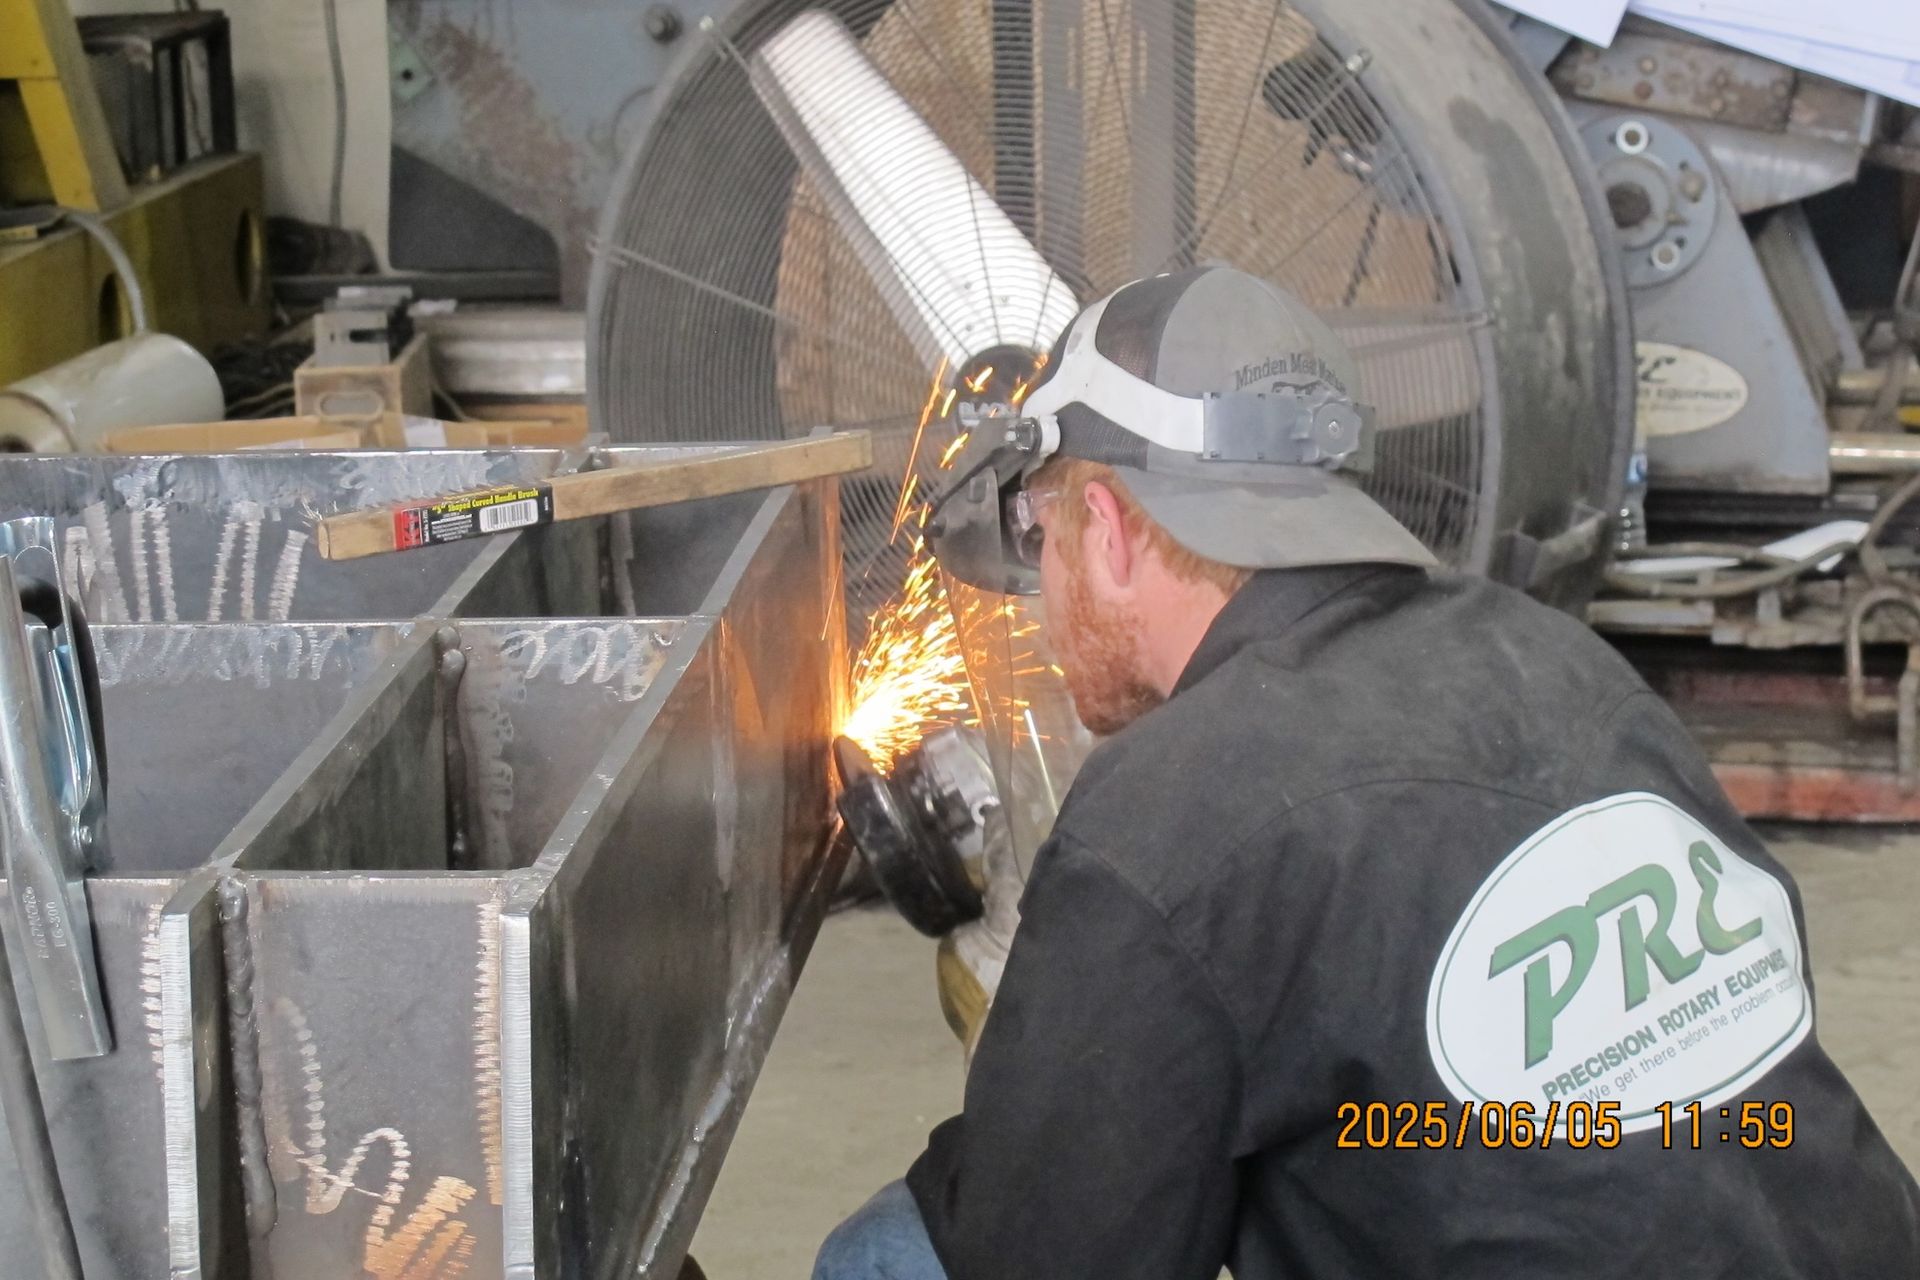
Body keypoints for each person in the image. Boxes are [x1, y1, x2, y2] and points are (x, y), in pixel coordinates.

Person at [814, 266, 1920, 1279]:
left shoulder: (1165, 815)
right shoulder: (1555, 656)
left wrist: (1042, 1042)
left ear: (1105, 526)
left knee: (884, 1255)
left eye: (1041, 530)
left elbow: (1046, 1253)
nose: (1042, 587)